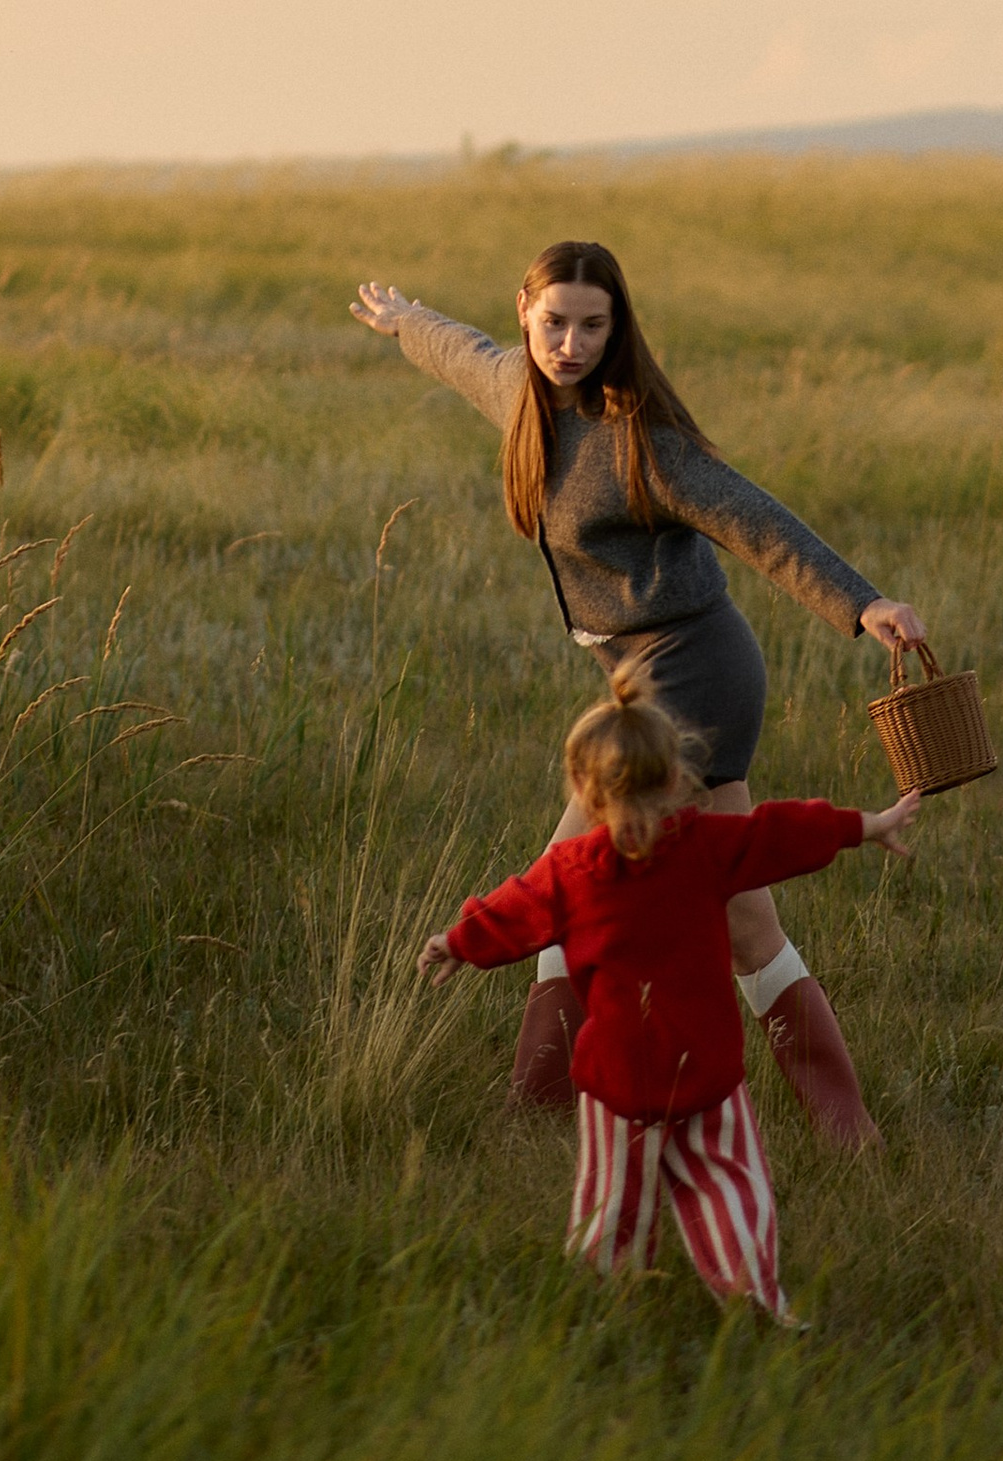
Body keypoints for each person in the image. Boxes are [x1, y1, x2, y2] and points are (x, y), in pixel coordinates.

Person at [350, 236, 931, 1145]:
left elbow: (755, 520)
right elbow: (456, 350)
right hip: (638, 678)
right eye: (555, 323)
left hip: (693, 675)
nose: (571, 343)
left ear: (617, 328)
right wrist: (403, 322)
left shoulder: (641, 440)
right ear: (525, 314)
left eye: (593, 325)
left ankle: (533, 1103)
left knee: (567, 877)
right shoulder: (517, 393)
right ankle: (847, 1130)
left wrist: (863, 605)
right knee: (743, 919)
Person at [420, 667, 925, 1321]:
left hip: (655, 1084)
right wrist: (869, 823)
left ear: (583, 792)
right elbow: (779, 834)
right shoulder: (694, 848)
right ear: (678, 782)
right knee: (697, 1195)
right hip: (670, 1080)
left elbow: (516, 909)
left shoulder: (594, 867)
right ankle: (711, 1302)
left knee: (645, 1203)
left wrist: (458, 943)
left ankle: (677, 1304)